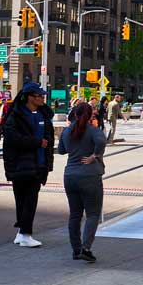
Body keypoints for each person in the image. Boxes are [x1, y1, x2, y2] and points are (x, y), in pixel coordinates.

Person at [3, 82, 55, 248]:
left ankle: (21, 233)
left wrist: (47, 156)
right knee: (25, 201)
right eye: (39, 96)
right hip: (20, 164)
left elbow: (49, 137)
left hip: (38, 164)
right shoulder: (15, 116)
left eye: (42, 96)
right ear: (29, 97)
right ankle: (25, 234)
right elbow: (12, 139)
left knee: (28, 200)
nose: (42, 98)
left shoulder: (42, 115)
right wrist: (37, 142)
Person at [58, 102, 106, 262]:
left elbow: (61, 150)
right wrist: (95, 155)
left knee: (75, 214)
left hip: (70, 176)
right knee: (93, 213)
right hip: (90, 175)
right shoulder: (93, 130)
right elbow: (101, 142)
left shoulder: (66, 131)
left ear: (74, 114)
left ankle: (76, 249)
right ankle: (86, 248)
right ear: (91, 115)